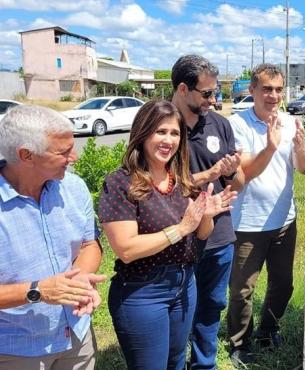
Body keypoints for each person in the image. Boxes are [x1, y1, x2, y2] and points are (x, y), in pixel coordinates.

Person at [98, 100, 235, 370]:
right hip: (143, 291)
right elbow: (126, 249)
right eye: (160, 132)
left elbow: (201, 235)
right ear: (143, 132)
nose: (168, 140)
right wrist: (182, 228)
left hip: (185, 284)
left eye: (175, 133)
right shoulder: (121, 182)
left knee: (176, 364)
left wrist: (206, 216)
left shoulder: (179, 178)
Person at [0, 105, 105, 369]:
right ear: (26, 155)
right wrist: (37, 291)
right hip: (15, 349)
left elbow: (89, 243)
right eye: (64, 152)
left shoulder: (73, 187)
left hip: (76, 335)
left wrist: (79, 281)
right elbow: (42, 291)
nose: (75, 157)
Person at [226, 63, 305, 367]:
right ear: (252, 91)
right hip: (247, 222)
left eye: (278, 89)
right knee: (242, 289)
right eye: (266, 89)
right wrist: (270, 146)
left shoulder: (291, 123)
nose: (273, 95)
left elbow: (303, 167)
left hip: (284, 222)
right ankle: (239, 343)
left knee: (283, 284)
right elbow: (243, 174)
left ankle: (268, 330)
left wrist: (301, 148)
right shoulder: (237, 125)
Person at [170, 54, 244, 370]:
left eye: (217, 94)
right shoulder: (159, 125)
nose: (214, 101)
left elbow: (237, 182)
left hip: (219, 235)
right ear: (183, 89)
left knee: (212, 305)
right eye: (207, 94)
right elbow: (150, 183)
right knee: (177, 307)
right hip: (174, 236)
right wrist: (208, 175)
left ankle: (203, 364)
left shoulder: (220, 124)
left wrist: (233, 169)